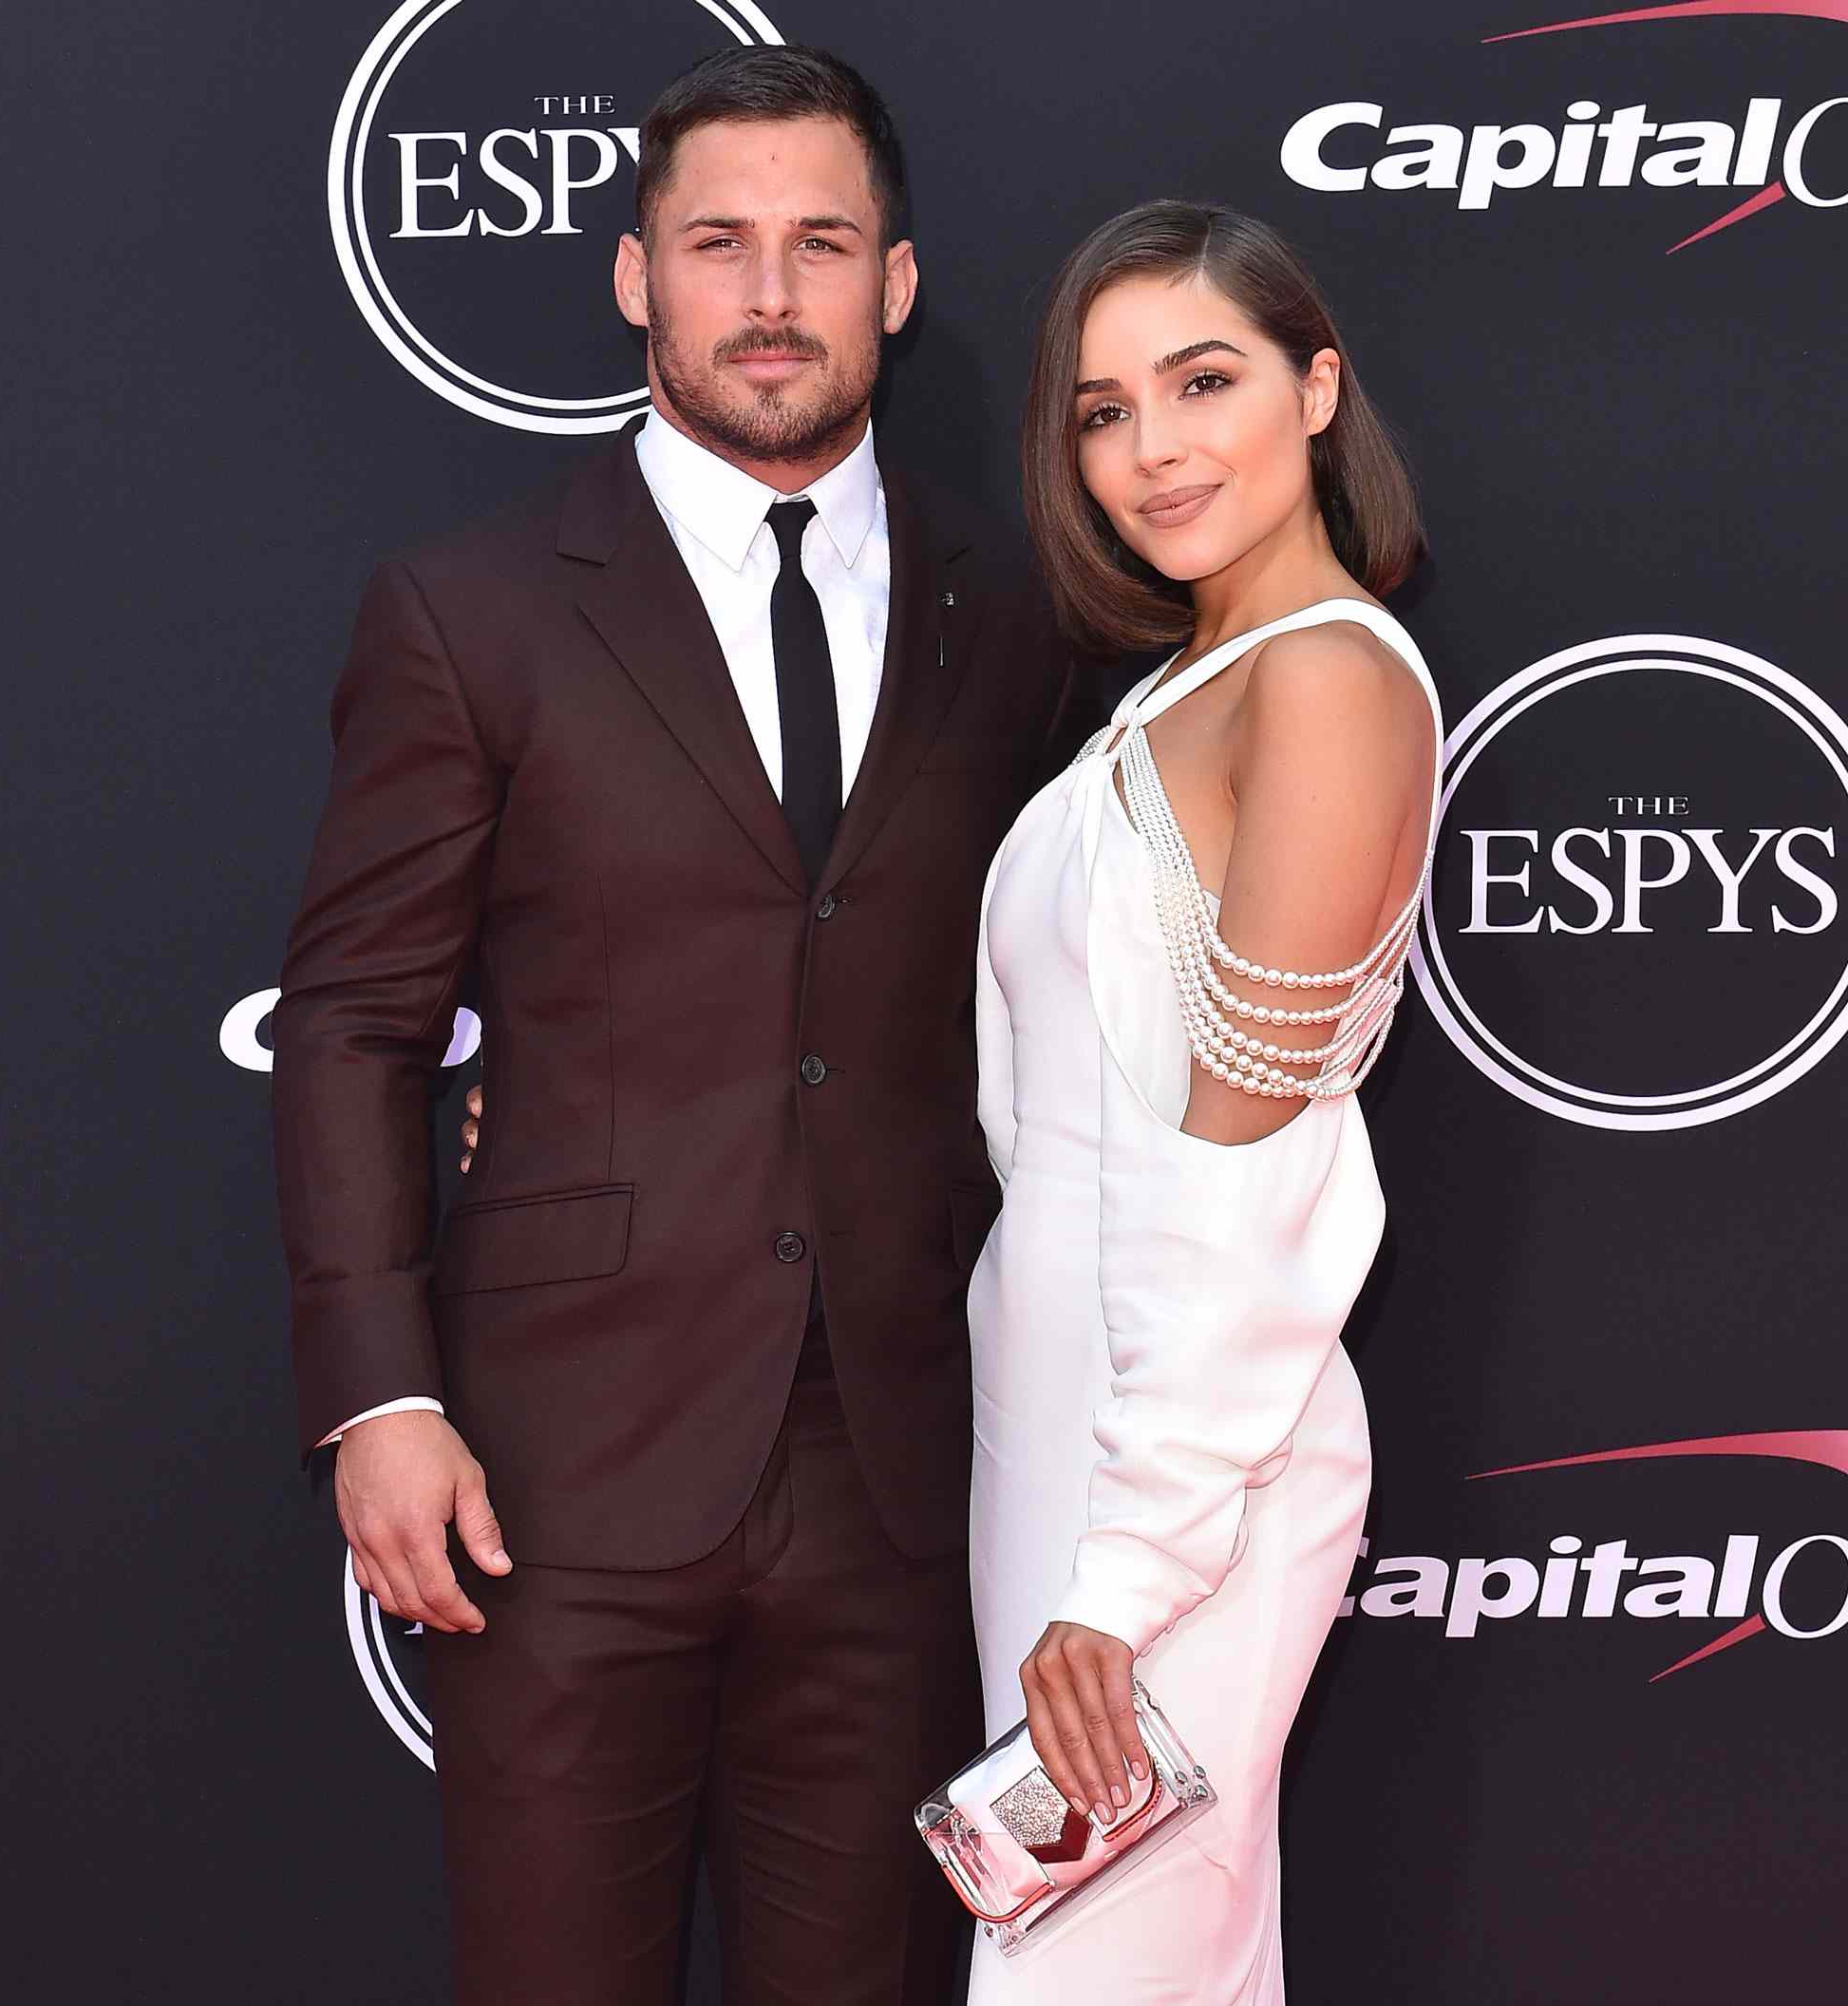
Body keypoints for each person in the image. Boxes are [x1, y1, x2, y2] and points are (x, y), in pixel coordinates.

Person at [271, 46, 1091, 2006]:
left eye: (820, 243)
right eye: (718, 244)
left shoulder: (1026, 608)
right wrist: (380, 1400)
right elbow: (356, 1028)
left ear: (894, 285)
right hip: (560, 1472)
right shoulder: (471, 613)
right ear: (636, 278)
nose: (770, 294)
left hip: (908, 1469)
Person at [962, 201, 1441, 2000]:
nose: (1152, 448)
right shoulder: (1188, 685)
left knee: (1102, 1977)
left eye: (1204, 380)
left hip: (1182, 1476)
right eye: (1101, 410)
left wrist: (1132, 1564)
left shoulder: (1324, 680)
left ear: (1318, 391)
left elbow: (1254, 1167)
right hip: (1076, 1427)